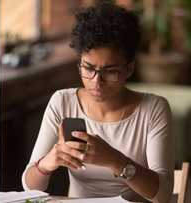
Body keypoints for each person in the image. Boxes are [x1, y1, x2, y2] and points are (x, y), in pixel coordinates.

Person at [21, 3, 174, 203]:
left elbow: (162, 195)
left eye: (110, 71)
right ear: (79, 63)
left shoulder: (154, 109)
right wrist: (47, 163)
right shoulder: (63, 102)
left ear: (129, 69)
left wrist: (115, 160)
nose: (96, 81)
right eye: (88, 68)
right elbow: (30, 187)